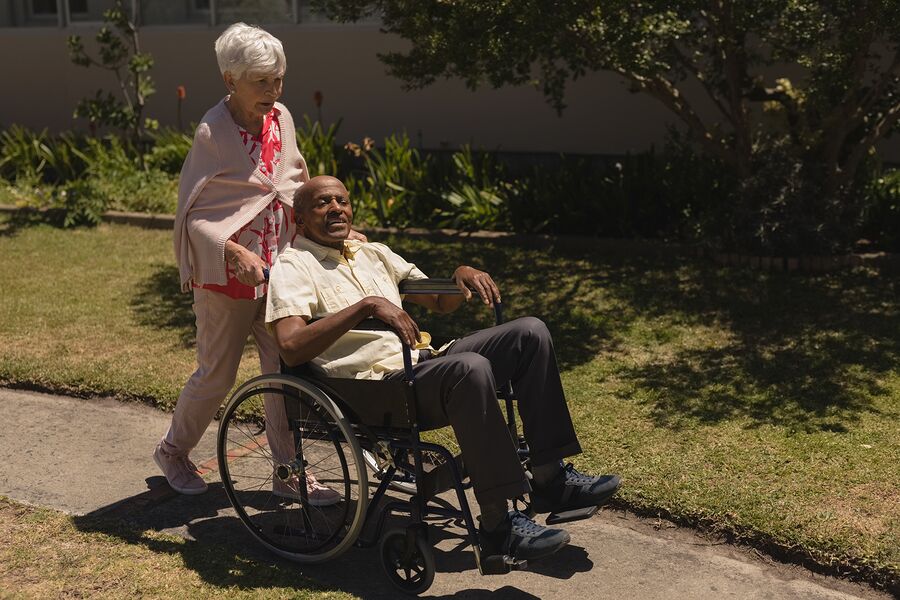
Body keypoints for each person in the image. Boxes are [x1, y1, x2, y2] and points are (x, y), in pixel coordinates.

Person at [265, 175, 621, 561]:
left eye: (342, 201)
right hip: (372, 387)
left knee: (529, 333)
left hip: (422, 364)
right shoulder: (293, 265)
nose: (336, 208)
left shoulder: (373, 253)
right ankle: (499, 525)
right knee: (469, 368)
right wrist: (365, 307)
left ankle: (551, 478)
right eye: (323, 203)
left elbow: (437, 299)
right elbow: (291, 346)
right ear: (299, 220)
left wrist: (458, 278)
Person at [156, 23, 355, 505]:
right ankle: (173, 451)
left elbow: (292, 183)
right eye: (262, 81)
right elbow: (195, 214)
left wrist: (332, 231)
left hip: (280, 271)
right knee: (217, 375)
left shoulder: (282, 118)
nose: (273, 91)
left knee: (284, 372)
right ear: (231, 80)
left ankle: (287, 473)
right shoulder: (212, 131)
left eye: (278, 79)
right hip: (225, 277)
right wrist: (232, 250)